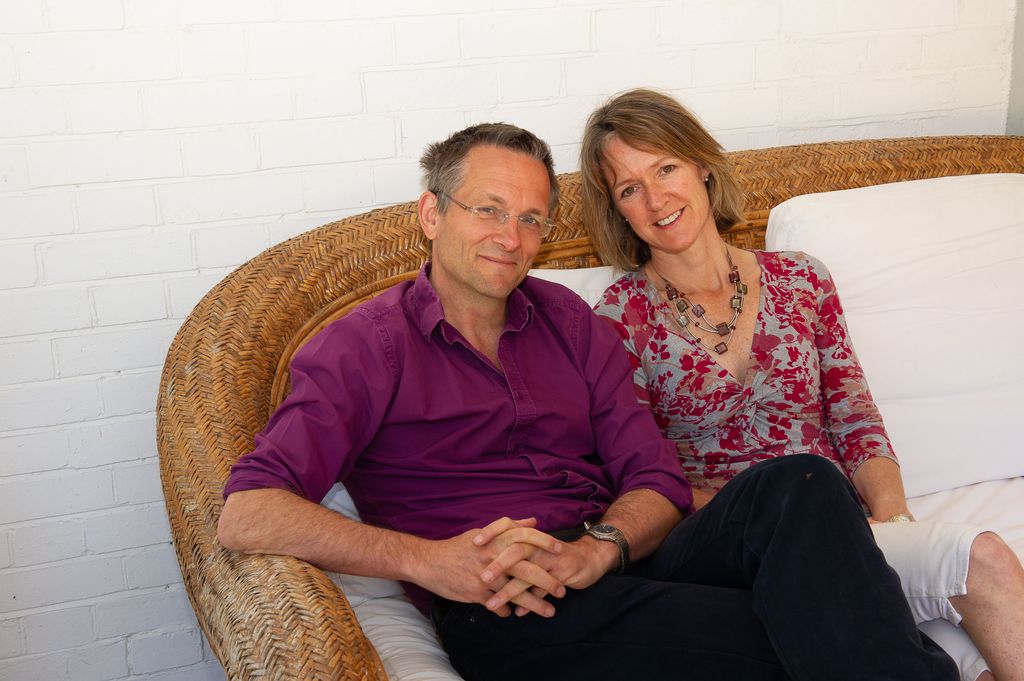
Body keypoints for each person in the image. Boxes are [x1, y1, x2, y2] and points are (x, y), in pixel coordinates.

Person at [217, 122, 958, 681]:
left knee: (803, 479)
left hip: (611, 556)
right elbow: (247, 510)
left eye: (531, 218)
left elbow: (657, 480)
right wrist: (432, 563)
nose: (511, 237)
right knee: (814, 624)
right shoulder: (362, 348)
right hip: (505, 604)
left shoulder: (572, 323)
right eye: (488, 209)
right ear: (432, 214)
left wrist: (598, 548)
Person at [582, 88, 1024, 681]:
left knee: (987, 558)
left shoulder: (801, 279)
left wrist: (889, 524)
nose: (656, 198)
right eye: (630, 188)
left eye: (666, 168)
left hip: (836, 524)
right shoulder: (618, 316)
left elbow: (855, 416)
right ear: (619, 210)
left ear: (703, 167)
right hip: (713, 538)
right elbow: (640, 473)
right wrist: (788, 520)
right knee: (796, 487)